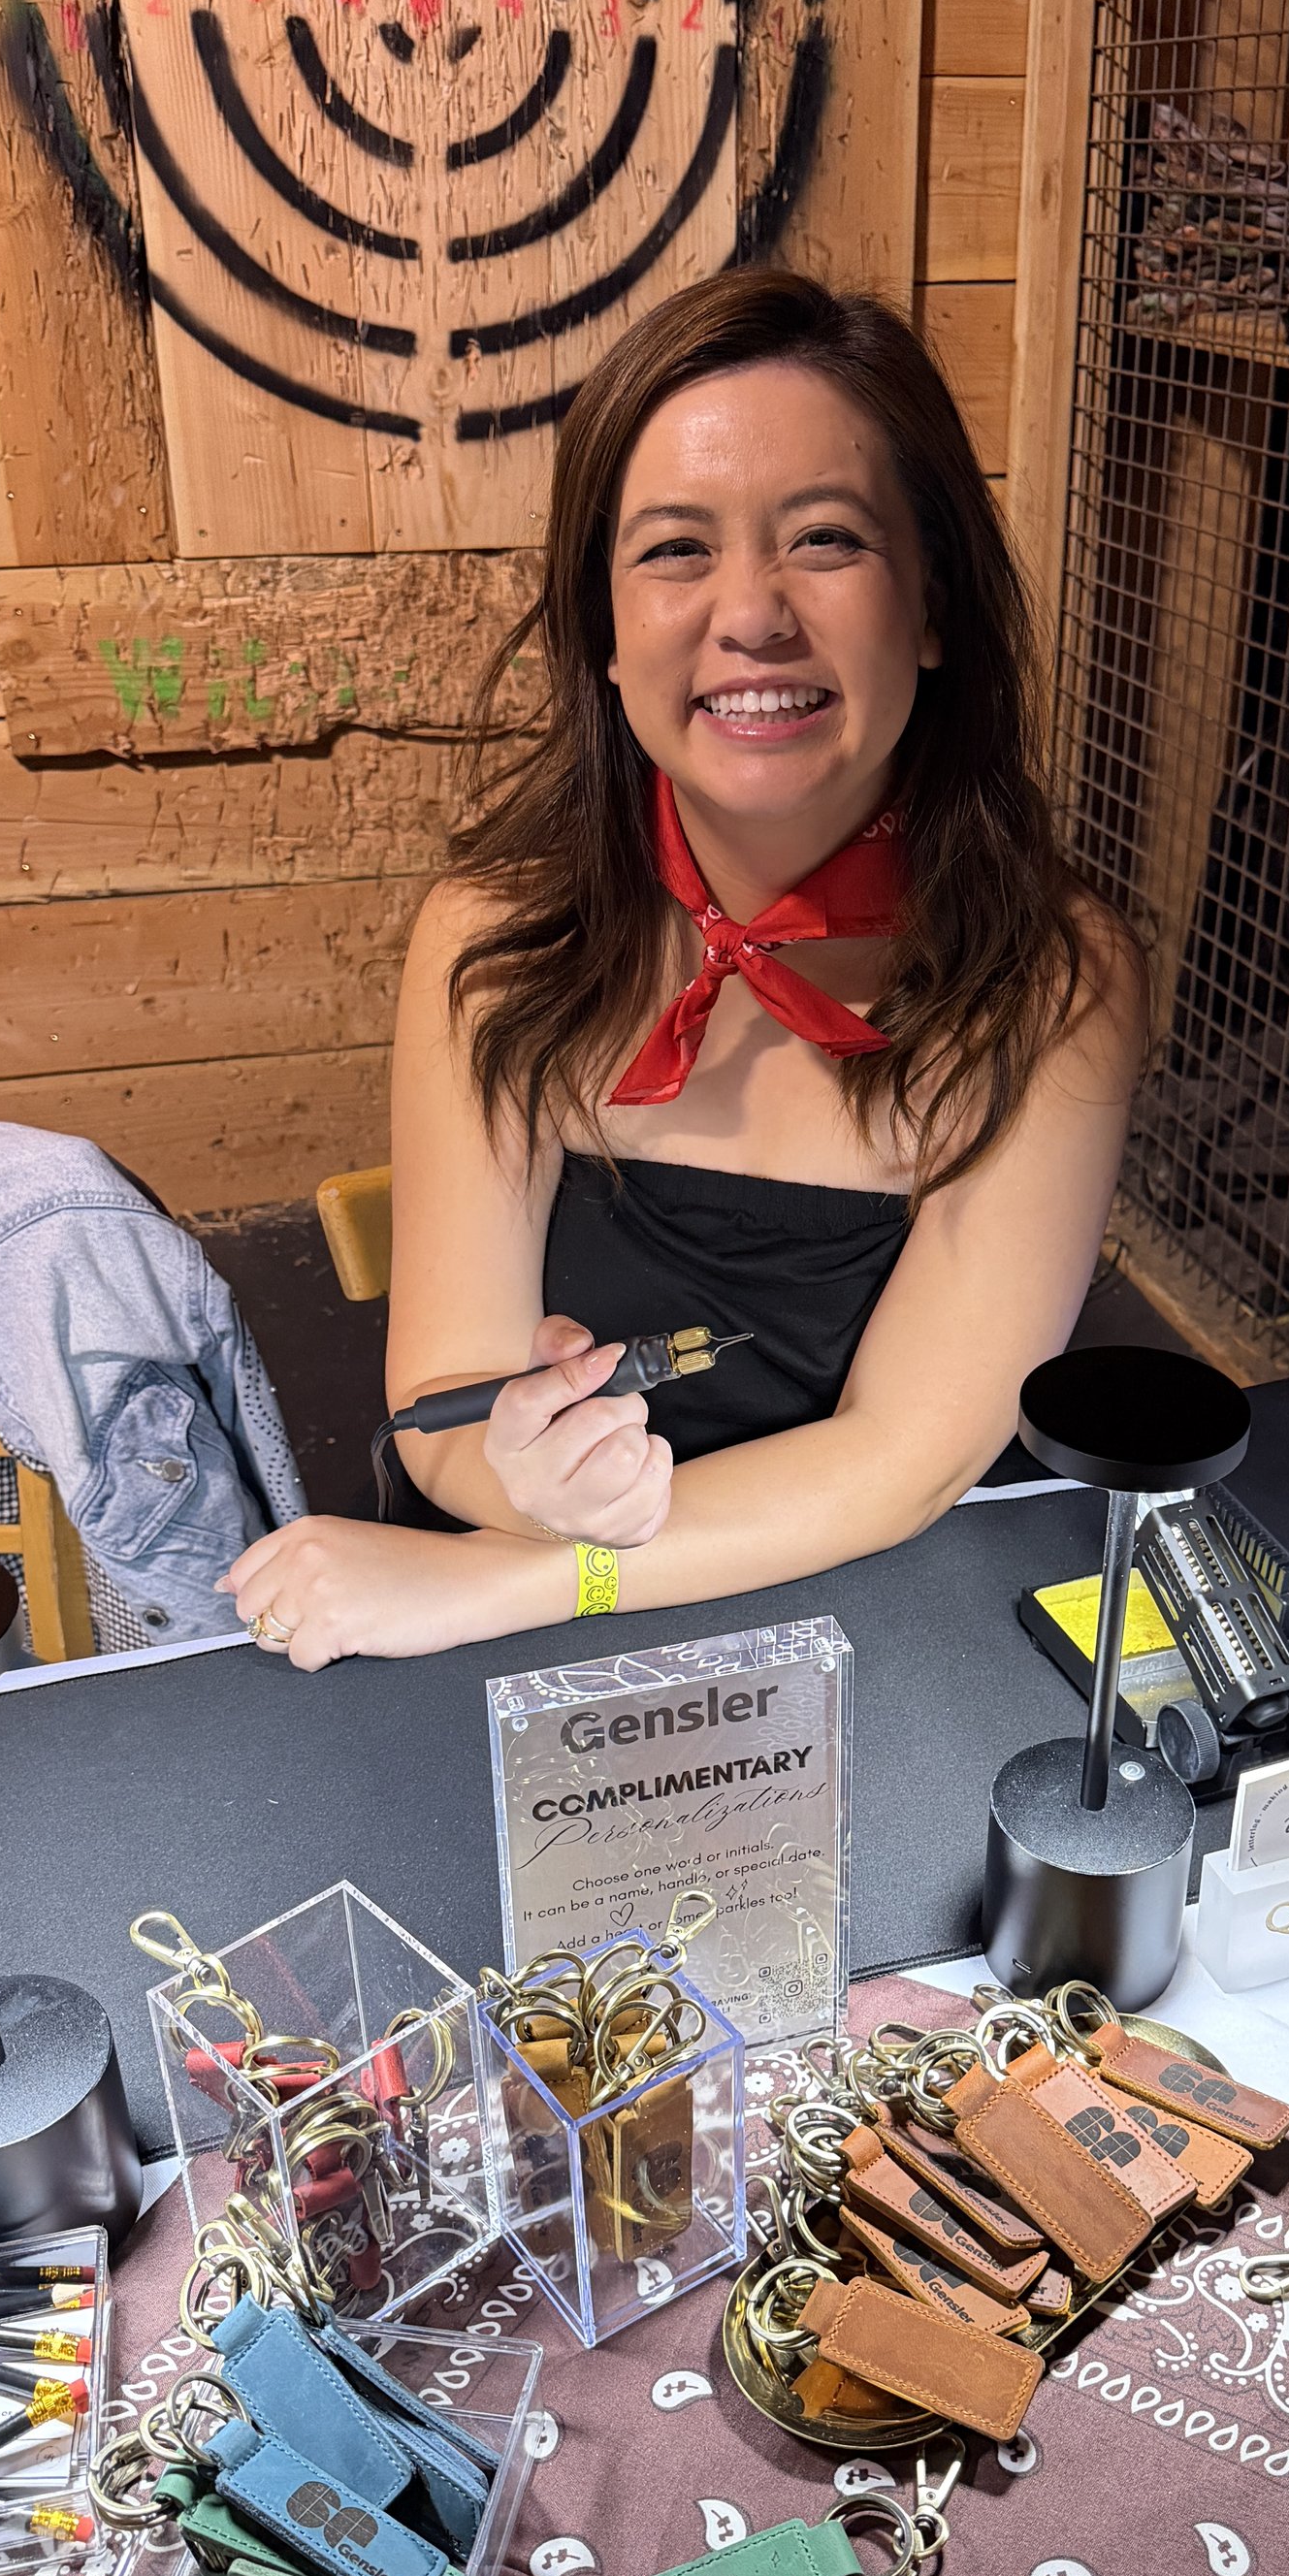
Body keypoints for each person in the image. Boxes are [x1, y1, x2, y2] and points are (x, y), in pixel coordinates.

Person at [223, 268, 1144, 1665]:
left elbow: (905, 1458)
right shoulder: (493, 939)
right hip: (507, 1625)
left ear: (933, 603)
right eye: (673, 550)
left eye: (825, 538)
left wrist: (530, 1576)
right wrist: (523, 1481)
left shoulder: (1052, 982)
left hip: (854, 1623)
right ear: (602, 630)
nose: (752, 614)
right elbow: (446, 1396)